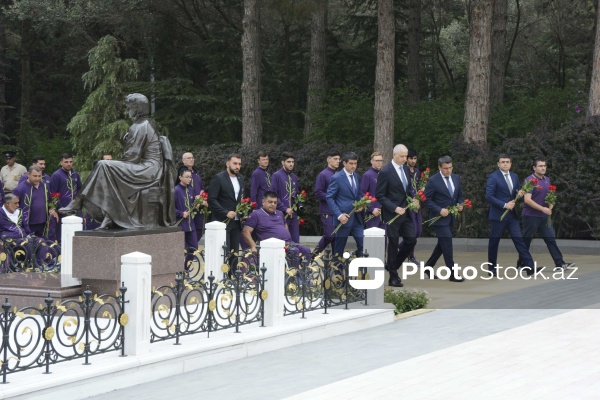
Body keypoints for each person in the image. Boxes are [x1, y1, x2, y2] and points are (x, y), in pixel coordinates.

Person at [59, 93, 177, 230]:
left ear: (137, 109)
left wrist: (125, 147)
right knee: (105, 168)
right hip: (150, 168)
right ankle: (108, 216)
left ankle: (78, 201)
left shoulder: (140, 126)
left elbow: (132, 157)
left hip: (148, 169)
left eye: (129, 107)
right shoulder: (144, 125)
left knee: (103, 165)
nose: (128, 111)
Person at [519, 157, 575, 271]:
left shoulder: (547, 180)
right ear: (534, 168)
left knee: (551, 239)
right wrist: (542, 209)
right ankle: (521, 265)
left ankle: (560, 264)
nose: (543, 168)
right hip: (530, 217)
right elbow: (527, 200)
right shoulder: (530, 180)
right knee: (526, 241)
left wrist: (550, 207)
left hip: (544, 217)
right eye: (540, 166)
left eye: (544, 166)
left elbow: (550, 196)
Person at [485, 154, 536, 277]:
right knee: (494, 242)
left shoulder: (514, 176)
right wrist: (504, 205)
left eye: (507, 162)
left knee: (519, 240)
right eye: (503, 162)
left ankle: (530, 266)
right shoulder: (493, 177)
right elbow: (489, 196)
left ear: (511, 164)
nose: (505, 164)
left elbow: (515, 191)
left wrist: (520, 192)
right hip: (498, 215)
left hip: (512, 215)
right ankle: (491, 268)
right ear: (498, 164)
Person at [376, 144, 419, 288]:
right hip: (392, 214)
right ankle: (393, 277)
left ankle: (392, 265)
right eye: (402, 156)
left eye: (406, 156)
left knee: (411, 240)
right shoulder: (386, 171)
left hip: (406, 212)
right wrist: (394, 208)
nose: (405, 159)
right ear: (394, 155)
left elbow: (407, 190)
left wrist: (413, 199)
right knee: (393, 244)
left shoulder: (406, 169)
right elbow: (380, 195)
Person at [423, 156, 464, 282]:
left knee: (442, 245)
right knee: (447, 243)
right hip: (438, 218)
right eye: (446, 168)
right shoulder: (433, 181)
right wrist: (439, 209)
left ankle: (428, 267)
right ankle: (452, 273)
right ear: (440, 167)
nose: (448, 171)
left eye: (450, 168)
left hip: (451, 217)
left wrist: (461, 204)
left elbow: (459, 196)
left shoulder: (456, 178)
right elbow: (426, 199)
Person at [242, 191, 311, 261]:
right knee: (294, 251)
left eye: (275, 202)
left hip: (288, 243)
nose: (273, 204)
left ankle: (305, 271)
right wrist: (253, 246)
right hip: (272, 246)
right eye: (270, 202)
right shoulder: (256, 214)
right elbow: (246, 232)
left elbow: (285, 227)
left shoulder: (280, 213)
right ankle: (293, 271)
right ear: (263, 202)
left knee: (306, 250)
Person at [208, 153, 245, 268]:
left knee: (235, 253)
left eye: (239, 164)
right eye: (235, 163)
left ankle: (233, 278)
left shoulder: (241, 178)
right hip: (221, 221)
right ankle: (221, 279)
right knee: (224, 252)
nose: (237, 166)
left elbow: (240, 199)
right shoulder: (218, 178)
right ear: (227, 163)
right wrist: (225, 212)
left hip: (236, 221)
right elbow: (211, 200)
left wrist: (243, 212)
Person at [327, 152, 364, 258]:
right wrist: (339, 215)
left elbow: (357, 195)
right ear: (344, 163)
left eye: (355, 163)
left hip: (356, 219)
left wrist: (361, 204)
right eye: (351, 163)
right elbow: (329, 197)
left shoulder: (356, 176)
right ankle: (337, 272)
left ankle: (360, 270)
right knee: (339, 249)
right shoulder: (337, 178)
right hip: (343, 219)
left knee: (363, 243)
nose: (353, 166)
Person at [13, 166, 58, 238]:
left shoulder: (44, 186)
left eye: (39, 176)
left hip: (43, 223)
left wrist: (52, 209)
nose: (37, 178)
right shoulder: (20, 189)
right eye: (35, 176)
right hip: (27, 224)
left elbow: (50, 201)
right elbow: (12, 207)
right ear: (28, 174)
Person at [313, 150, 340, 256]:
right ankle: (313, 255)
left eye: (339, 159)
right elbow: (318, 192)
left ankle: (336, 263)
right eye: (335, 159)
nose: (338, 161)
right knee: (330, 235)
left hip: (338, 212)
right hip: (327, 210)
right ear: (328, 160)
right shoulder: (323, 174)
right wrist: (331, 198)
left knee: (337, 238)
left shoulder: (339, 174)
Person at [270, 152, 302, 243]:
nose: (291, 164)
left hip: (293, 215)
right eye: (288, 162)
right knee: (283, 240)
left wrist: (299, 204)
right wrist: (284, 208)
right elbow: (273, 195)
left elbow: (296, 194)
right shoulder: (277, 176)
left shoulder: (294, 177)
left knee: (295, 241)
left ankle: (295, 257)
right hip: (281, 214)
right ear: (282, 162)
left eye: (292, 162)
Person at [50, 153, 82, 241]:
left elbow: (80, 190)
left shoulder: (75, 174)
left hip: (75, 208)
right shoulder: (56, 175)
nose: (69, 164)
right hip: (62, 210)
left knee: (77, 232)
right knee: (63, 234)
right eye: (66, 162)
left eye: (71, 162)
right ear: (61, 162)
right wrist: (60, 207)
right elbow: (53, 193)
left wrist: (79, 204)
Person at [403, 149, 422, 264]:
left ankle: (401, 248)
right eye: (411, 158)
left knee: (418, 232)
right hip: (407, 205)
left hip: (416, 205)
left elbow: (419, 188)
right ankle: (411, 256)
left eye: (415, 158)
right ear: (407, 159)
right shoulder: (404, 171)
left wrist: (419, 199)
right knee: (412, 232)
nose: (413, 161)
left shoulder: (417, 172)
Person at [182, 152, 206, 241]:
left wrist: (201, 198)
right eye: (188, 158)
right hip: (187, 208)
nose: (191, 159)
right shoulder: (180, 174)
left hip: (199, 207)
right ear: (183, 160)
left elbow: (202, 189)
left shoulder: (196, 174)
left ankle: (193, 250)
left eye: (192, 158)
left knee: (199, 229)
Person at [175, 167, 198, 250]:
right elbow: (170, 209)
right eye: (187, 177)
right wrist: (181, 213)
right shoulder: (176, 190)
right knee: (182, 249)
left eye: (190, 177)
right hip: (180, 225)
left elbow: (191, 205)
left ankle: (189, 263)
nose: (189, 179)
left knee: (194, 248)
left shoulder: (191, 189)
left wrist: (196, 206)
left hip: (191, 225)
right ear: (180, 177)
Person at [361, 151, 385, 229]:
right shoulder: (367, 175)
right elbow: (363, 193)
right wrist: (371, 209)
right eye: (377, 160)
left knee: (384, 239)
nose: (379, 163)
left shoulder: (383, 174)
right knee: (373, 239)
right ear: (371, 161)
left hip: (384, 212)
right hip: (373, 213)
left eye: (380, 160)